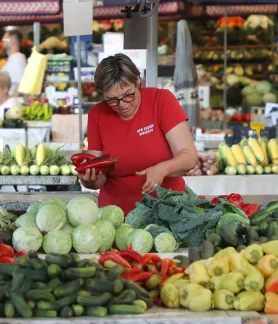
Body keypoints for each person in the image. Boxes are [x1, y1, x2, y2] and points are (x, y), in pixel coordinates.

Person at [79, 54, 199, 213]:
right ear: (102, 95)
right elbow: (99, 175)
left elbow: (189, 157)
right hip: (117, 214)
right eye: (112, 100)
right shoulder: (97, 114)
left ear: (137, 82)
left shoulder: (161, 100)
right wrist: (89, 180)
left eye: (128, 95)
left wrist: (162, 169)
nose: (122, 104)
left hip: (168, 210)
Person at [1, 30, 27, 95]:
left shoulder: (17, 59)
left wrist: (12, 101)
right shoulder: (14, 58)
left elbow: (21, 85)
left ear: (12, 42)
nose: (2, 42)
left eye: (4, 40)